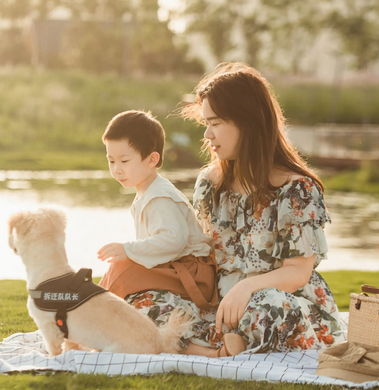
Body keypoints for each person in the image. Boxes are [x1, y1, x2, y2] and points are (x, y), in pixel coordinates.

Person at [179, 62, 345, 355]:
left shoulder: (297, 190)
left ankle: (205, 346)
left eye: (215, 123)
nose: (207, 135)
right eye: (206, 124)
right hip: (220, 301)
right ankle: (220, 349)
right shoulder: (209, 184)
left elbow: (297, 273)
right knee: (151, 301)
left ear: (249, 121)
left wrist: (246, 288)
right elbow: (204, 254)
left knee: (266, 307)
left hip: (279, 298)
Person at [96, 110, 241, 356]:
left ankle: (212, 351)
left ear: (152, 159)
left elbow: (173, 240)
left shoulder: (159, 196)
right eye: (111, 161)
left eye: (124, 161)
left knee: (124, 274)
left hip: (191, 273)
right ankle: (99, 313)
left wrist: (128, 249)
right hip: (176, 269)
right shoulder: (147, 190)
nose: (117, 169)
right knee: (123, 276)